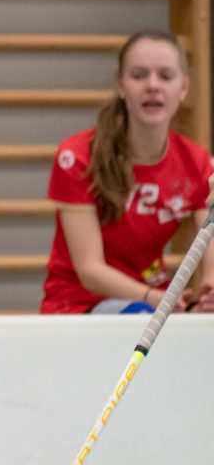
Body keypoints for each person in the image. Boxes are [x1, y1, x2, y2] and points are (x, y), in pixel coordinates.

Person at [41, 30, 214, 314]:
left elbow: (209, 269)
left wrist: (206, 299)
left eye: (166, 77)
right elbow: (89, 270)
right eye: (139, 75)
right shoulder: (76, 157)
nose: (152, 86)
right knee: (141, 316)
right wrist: (157, 299)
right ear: (120, 85)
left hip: (154, 302)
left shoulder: (198, 163)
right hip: (79, 305)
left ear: (183, 88)